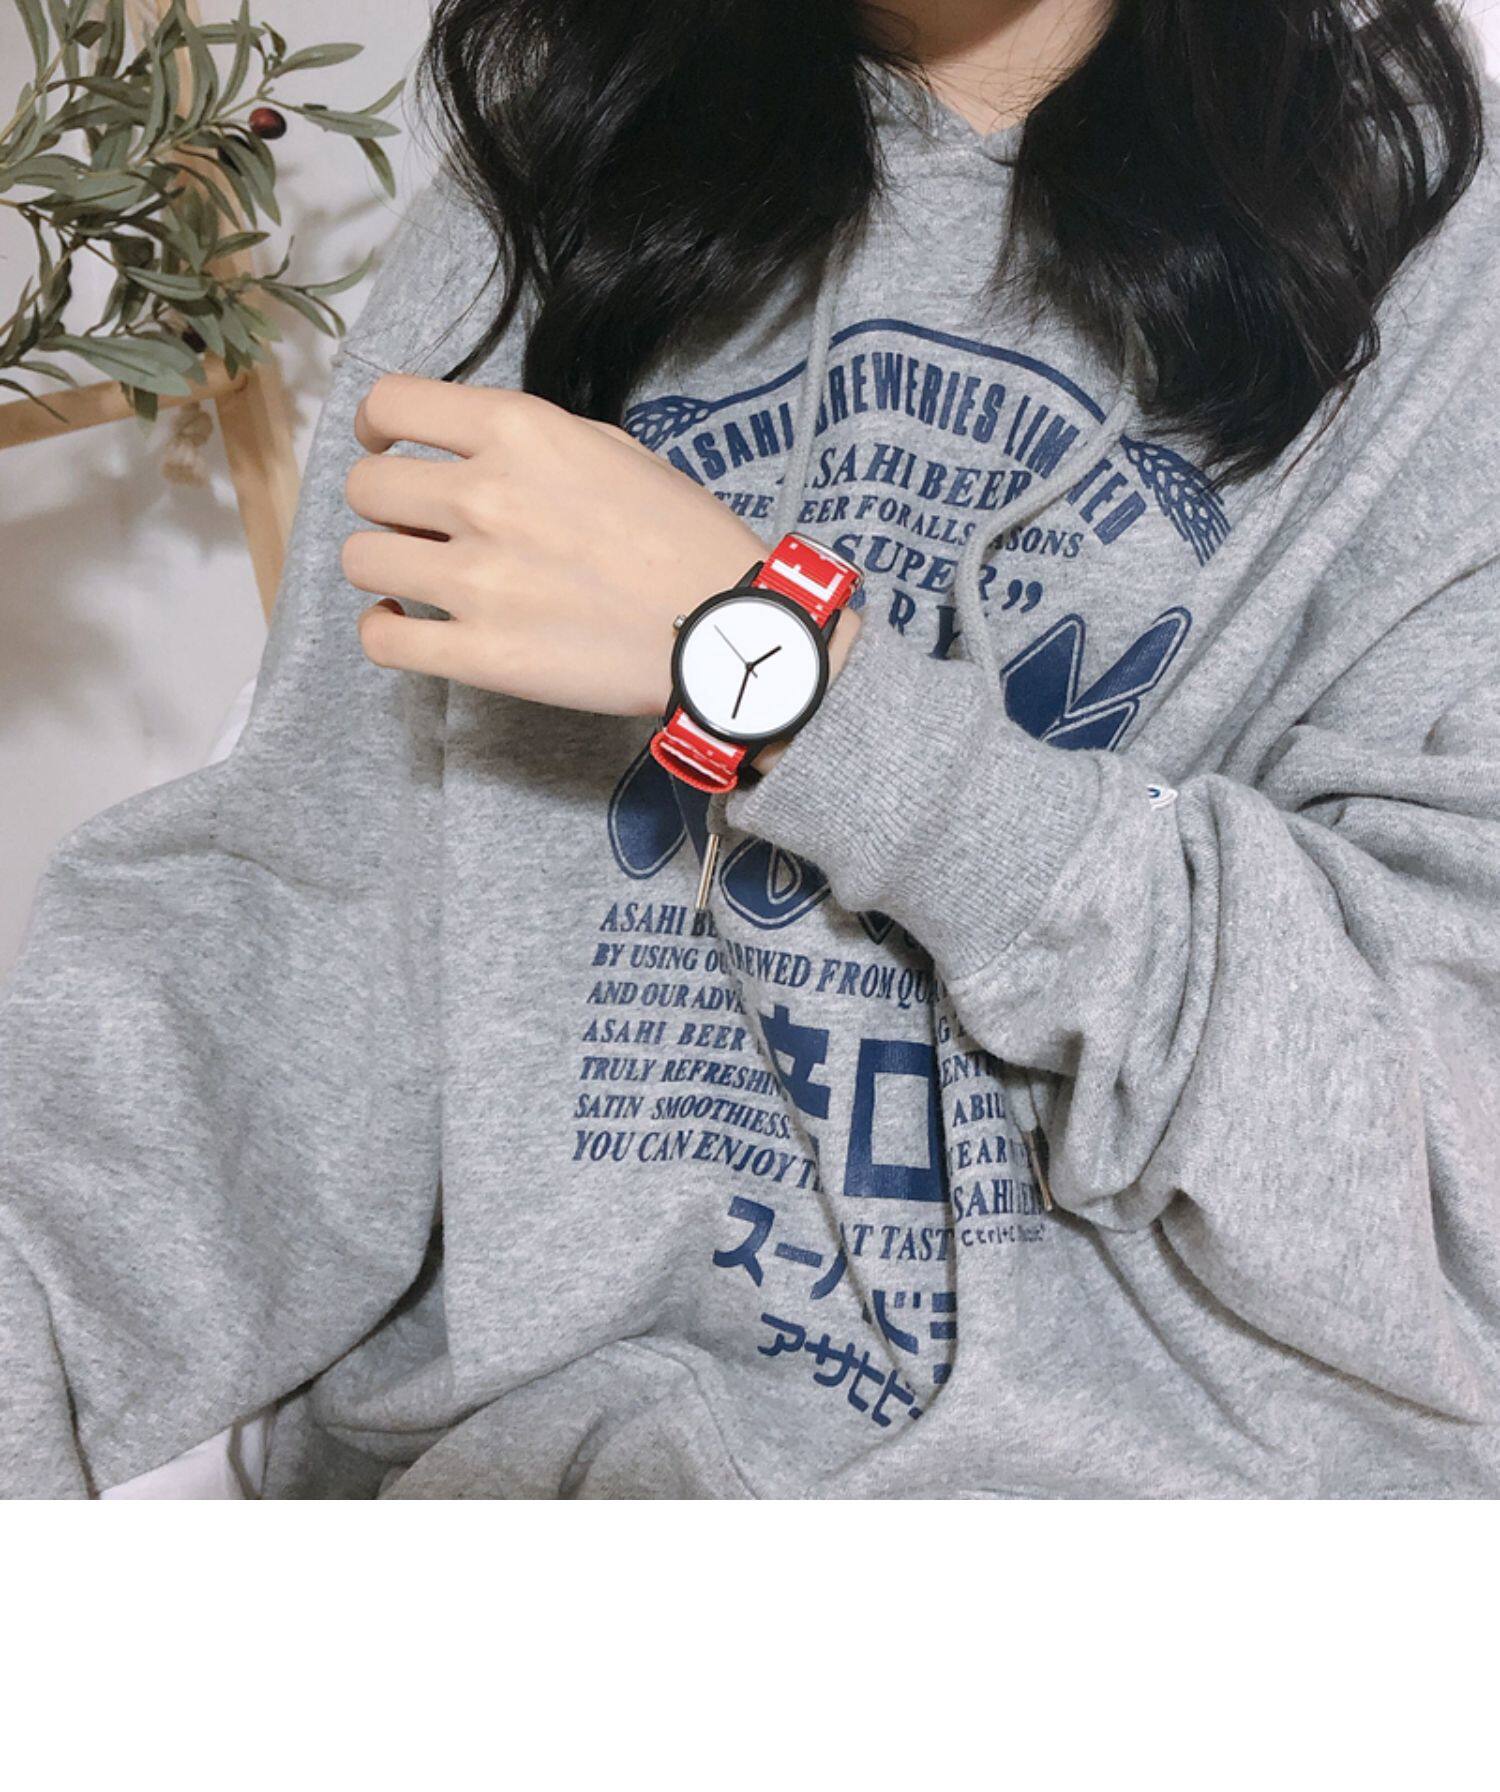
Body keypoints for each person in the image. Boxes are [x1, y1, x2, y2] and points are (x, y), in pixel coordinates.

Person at [3, 0, 1498, 1500]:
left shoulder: (1434, 245)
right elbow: (299, 953)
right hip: (537, 1490)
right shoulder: (562, 155)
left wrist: (790, 680)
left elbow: (1444, 1170)